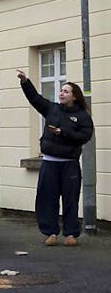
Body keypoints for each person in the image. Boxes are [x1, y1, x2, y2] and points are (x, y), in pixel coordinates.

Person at [17, 69, 94, 246]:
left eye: (66, 91)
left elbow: (85, 136)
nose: (61, 93)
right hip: (49, 164)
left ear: (75, 96)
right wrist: (25, 81)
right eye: (61, 90)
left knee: (70, 199)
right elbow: (35, 99)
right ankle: (51, 233)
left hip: (70, 165)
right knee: (47, 199)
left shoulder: (82, 116)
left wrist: (63, 132)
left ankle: (71, 234)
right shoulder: (52, 108)